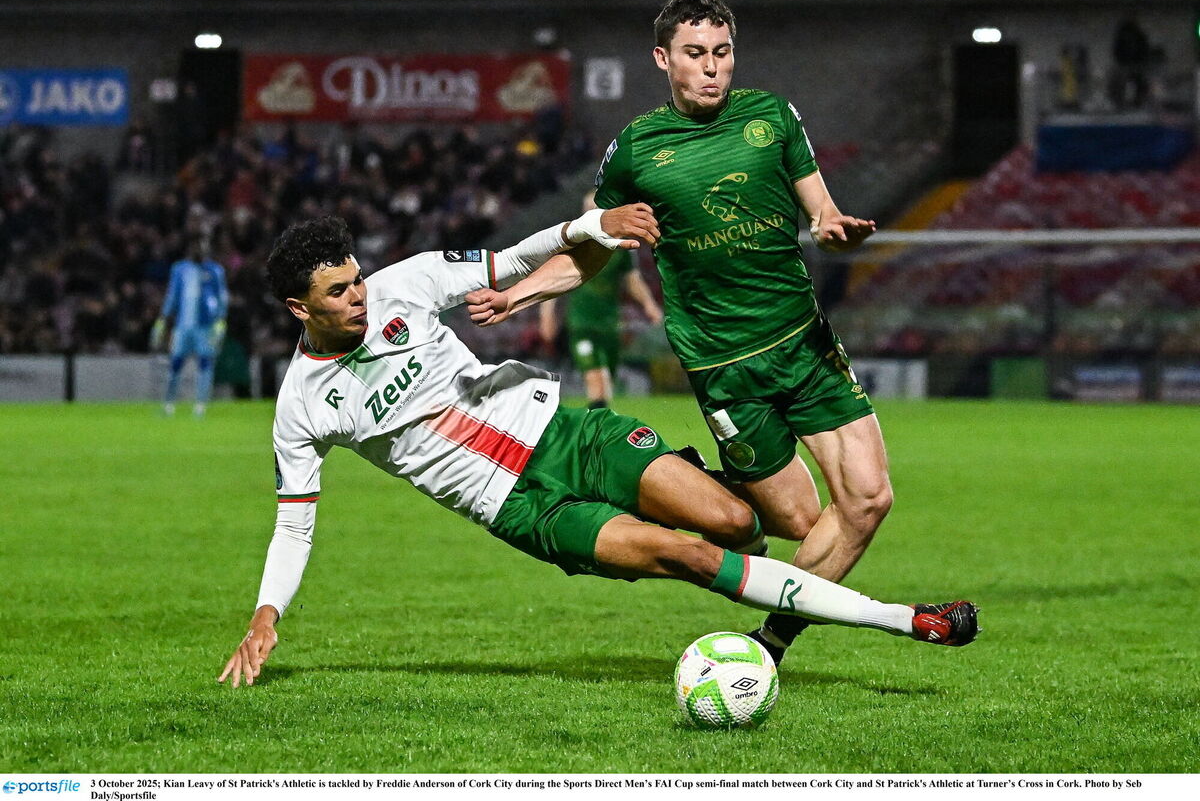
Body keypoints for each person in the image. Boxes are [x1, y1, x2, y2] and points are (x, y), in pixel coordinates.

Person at [218, 214, 977, 687]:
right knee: (690, 557)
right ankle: (908, 621)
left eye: (356, 282)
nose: (360, 298)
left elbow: (514, 261)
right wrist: (266, 614)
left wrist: (590, 226)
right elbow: (294, 523)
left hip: (568, 435)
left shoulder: (404, 285)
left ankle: (709, 473)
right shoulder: (302, 406)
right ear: (299, 308)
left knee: (735, 523)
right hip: (520, 507)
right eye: (340, 295)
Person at [477, 0, 900, 666]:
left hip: (804, 344)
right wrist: (521, 293)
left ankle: (767, 647)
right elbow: (592, 247)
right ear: (663, 59)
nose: (713, 69)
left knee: (869, 500)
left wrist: (837, 233)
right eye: (696, 55)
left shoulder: (772, 118)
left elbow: (822, 214)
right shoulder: (638, 151)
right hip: (723, 366)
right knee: (794, 524)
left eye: (723, 53)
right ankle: (688, 484)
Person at [539, 191, 663, 409]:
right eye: (589, 210)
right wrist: (547, 316)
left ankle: (599, 419)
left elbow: (632, 281)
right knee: (595, 376)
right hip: (581, 323)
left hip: (609, 323)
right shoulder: (573, 243)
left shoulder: (621, 247)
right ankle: (598, 424)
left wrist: (649, 305)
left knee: (607, 379)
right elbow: (551, 280)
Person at [151, 234, 228, 417]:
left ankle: (200, 405)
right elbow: (173, 295)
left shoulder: (215, 270)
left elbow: (221, 297)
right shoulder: (180, 269)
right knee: (176, 363)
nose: (199, 250)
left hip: (206, 325)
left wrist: (220, 320)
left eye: (202, 246)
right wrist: (163, 318)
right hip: (183, 326)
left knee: (205, 363)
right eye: (196, 246)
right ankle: (169, 405)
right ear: (189, 249)